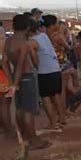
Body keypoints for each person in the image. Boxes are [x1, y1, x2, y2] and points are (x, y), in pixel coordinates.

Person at [2, 14, 51, 149]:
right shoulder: (23, 44)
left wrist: (12, 81)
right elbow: (21, 64)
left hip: (16, 77)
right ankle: (34, 140)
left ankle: (24, 135)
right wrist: (15, 83)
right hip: (27, 77)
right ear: (28, 27)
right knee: (29, 110)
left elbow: (4, 62)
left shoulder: (9, 41)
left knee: (20, 108)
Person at [29, 18, 66, 130]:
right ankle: (62, 119)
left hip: (44, 71)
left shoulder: (32, 41)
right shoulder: (43, 36)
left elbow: (35, 59)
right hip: (55, 68)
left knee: (45, 98)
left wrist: (35, 67)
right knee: (56, 95)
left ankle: (53, 124)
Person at [0, 26, 15, 138]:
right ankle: (8, 129)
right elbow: (4, 63)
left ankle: (3, 126)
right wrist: (11, 80)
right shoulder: (3, 43)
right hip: (3, 77)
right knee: (5, 104)